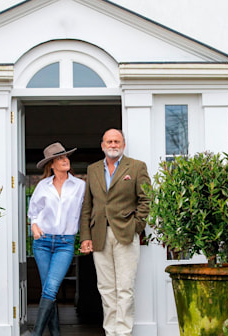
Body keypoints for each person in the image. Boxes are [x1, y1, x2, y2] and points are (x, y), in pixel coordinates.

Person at [79, 128, 150, 336]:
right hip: (99, 235)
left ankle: (124, 332)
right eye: (109, 141)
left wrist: (136, 226)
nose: (113, 145)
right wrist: (85, 237)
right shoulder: (92, 170)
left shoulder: (136, 167)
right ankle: (111, 332)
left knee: (125, 288)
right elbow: (87, 206)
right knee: (106, 289)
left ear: (123, 145)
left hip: (126, 234)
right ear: (102, 145)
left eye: (116, 141)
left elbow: (146, 200)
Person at [28, 142, 85, 336]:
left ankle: (36, 334)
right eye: (60, 158)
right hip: (42, 243)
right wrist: (34, 225)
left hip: (65, 244)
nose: (65, 160)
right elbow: (33, 212)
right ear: (51, 164)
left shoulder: (80, 186)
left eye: (66, 157)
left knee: (51, 288)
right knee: (49, 291)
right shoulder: (42, 186)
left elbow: (86, 214)